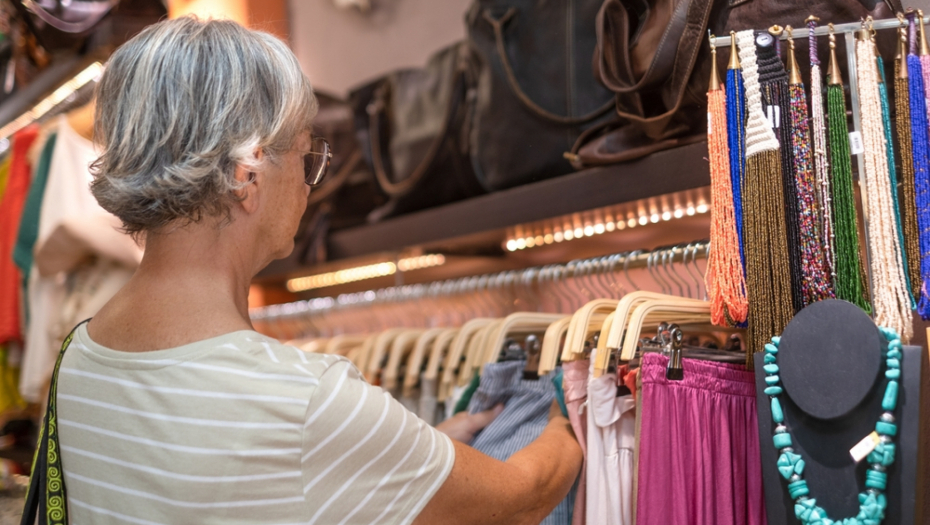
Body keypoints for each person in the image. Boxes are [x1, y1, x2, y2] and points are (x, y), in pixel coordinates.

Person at [53, 16, 582, 525]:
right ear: (247, 174)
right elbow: (520, 501)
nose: (311, 186)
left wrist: (408, 457)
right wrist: (565, 421)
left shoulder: (78, 358)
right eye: (307, 159)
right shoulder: (304, 401)